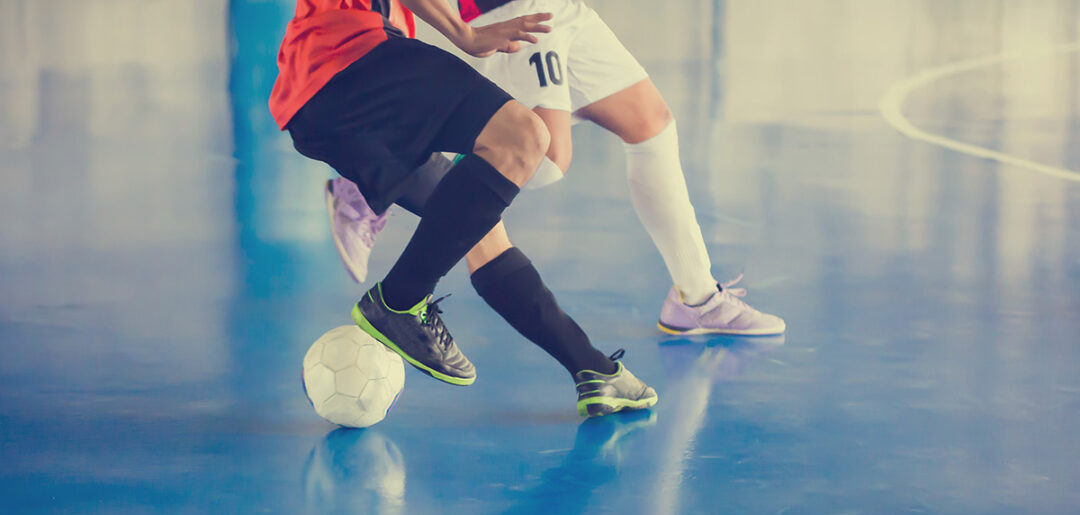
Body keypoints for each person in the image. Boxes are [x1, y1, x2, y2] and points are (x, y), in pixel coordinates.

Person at [272, 0, 656, 416]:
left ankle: (593, 370)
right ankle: (398, 299)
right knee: (523, 137)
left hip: (322, 104)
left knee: (480, 230)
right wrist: (465, 34)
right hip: (349, 55)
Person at [326, 0, 786, 338]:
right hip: (510, 8)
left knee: (651, 125)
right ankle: (378, 180)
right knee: (539, 158)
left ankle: (697, 296)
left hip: (565, 9)